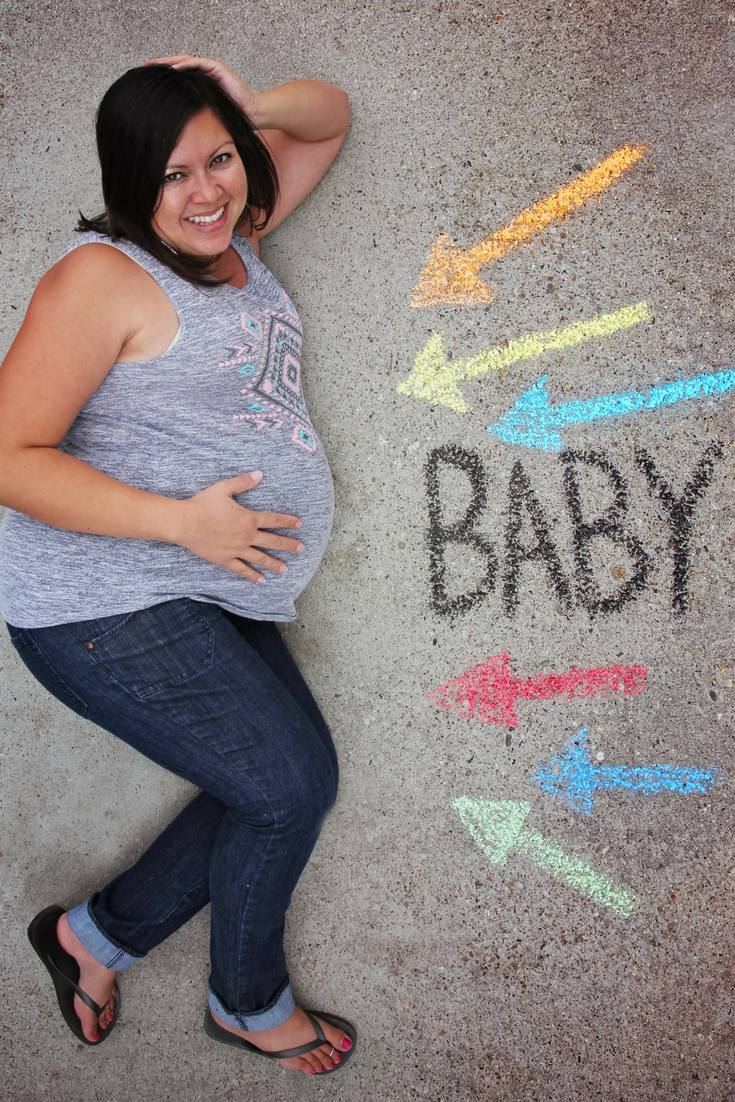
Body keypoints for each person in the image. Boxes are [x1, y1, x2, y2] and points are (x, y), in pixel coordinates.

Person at [0, 55, 355, 1076]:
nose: (203, 190)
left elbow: (329, 118)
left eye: (219, 160)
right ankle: (247, 1001)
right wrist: (179, 524)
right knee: (289, 786)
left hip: (203, 590)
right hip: (101, 603)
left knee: (279, 784)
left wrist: (246, 113)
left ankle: (91, 941)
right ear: (128, 182)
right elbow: (10, 455)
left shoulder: (232, 236)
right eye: (170, 174)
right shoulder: (102, 276)